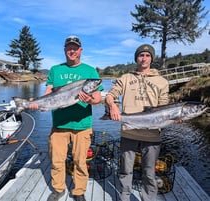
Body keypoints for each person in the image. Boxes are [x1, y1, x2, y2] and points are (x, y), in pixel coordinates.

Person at [29, 35, 103, 201]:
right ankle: (58, 189)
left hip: (82, 125)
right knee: (56, 160)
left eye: (75, 48)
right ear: (64, 50)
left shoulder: (90, 71)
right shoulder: (55, 69)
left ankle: (78, 191)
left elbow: (98, 98)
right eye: (69, 48)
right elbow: (49, 92)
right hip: (59, 125)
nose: (72, 51)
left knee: (80, 161)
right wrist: (38, 103)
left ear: (80, 51)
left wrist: (89, 99)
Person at [105, 44, 169, 201]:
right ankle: (124, 197)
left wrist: (174, 117)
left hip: (152, 134)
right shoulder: (125, 78)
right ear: (136, 58)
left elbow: (164, 106)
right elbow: (110, 95)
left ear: (151, 58)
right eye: (141, 55)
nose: (144, 58)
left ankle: (149, 198)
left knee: (149, 172)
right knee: (126, 169)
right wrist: (113, 105)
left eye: (148, 55)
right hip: (129, 131)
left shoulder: (162, 81)